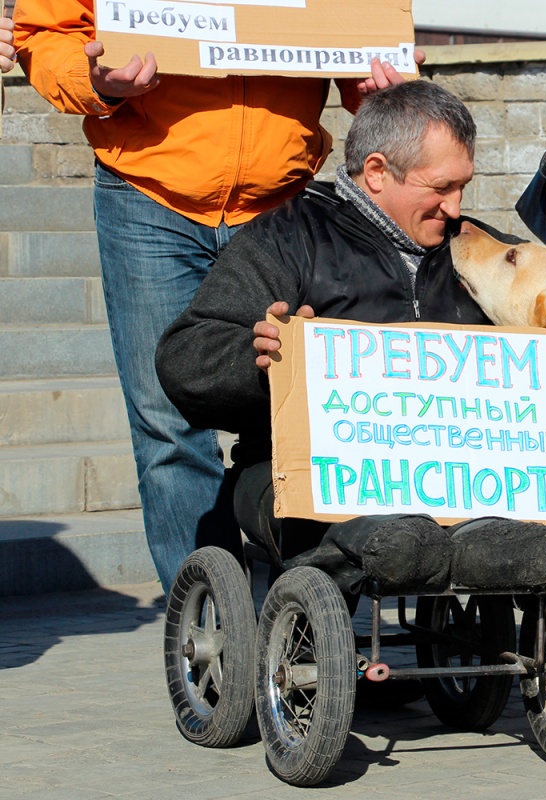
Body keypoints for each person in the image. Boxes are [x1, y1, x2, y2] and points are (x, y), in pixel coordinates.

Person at [155, 80, 546, 595]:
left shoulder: (461, 247)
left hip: (457, 479)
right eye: (440, 188)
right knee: (391, 538)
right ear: (376, 172)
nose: (455, 206)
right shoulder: (287, 239)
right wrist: (254, 357)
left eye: (462, 186)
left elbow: (541, 269)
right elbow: (185, 356)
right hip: (303, 476)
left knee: (517, 542)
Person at [13, 0, 410, 590]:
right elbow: (48, 28)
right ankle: (209, 641)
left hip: (281, 195)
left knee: (312, 412)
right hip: (149, 193)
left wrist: (374, 83)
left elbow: (352, 27)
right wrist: (94, 82)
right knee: (169, 427)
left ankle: (306, 631)